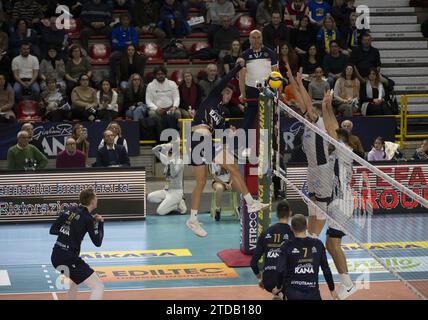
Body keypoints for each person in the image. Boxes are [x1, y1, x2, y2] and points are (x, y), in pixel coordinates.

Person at [188, 63, 269, 237]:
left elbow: (221, 131)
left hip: (205, 141)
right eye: (226, 92)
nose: (228, 95)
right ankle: (249, 203)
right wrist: (238, 67)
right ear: (221, 91)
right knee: (211, 177)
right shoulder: (211, 98)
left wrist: (229, 132)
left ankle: (193, 220)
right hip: (197, 139)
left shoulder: (222, 112)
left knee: (225, 171)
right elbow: (225, 79)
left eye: (230, 93)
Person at [284, 63, 338, 239]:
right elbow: (301, 102)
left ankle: (314, 238)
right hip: (312, 168)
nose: (307, 112)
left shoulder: (317, 122)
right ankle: (308, 236)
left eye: (310, 111)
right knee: (312, 205)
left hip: (323, 169)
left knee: (321, 208)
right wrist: (293, 80)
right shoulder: (307, 122)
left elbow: (306, 103)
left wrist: (301, 85)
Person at [50, 188, 105, 300]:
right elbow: (98, 242)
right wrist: (100, 224)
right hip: (68, 257)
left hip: (55, 256)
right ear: (92, 201)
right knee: (98, 286)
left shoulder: (70, 209)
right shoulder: (88, 219)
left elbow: (53, 229)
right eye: (96, 197)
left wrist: (69, 231)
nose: (97, 199)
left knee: (75, 282)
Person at [274, 214, 337, 300]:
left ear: (291, 228)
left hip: (292, 293)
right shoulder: (318, 244)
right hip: (312, 294)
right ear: (306, 226)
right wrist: (332, 289)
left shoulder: (286, 246)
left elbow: (280, 270)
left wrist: (278, 286)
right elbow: (326, 269)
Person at [326, 128, 357, 300]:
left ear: (340, 140)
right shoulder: (334, 155)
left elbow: (331, 129)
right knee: (329, 246)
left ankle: (349, 284)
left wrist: (326, 105)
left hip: (342, 203)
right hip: (334, 202)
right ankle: (344, 280)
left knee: (335, 245)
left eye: (331, 139)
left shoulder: (344, 151)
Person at [239, 30, 278, 157]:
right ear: (249, 39)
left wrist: (277, 92)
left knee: (270, 121)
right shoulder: (244, 55)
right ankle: (245, 148)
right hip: (251, 91)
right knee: (248, 120)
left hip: (267, 91)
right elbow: (242, 76)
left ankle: (272, 148)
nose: (256, 40)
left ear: (262, 38)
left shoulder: (270, 53)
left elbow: (276, 74)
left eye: (258, 37)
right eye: (253, 37)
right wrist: (242, 93)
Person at [250, 200, 295, 299]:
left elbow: (253, 263)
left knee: (278, 293)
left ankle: (277, 295)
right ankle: (280, 294)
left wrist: (260, 279)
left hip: (268, 280)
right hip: (286, 280)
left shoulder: (265, 232)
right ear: (290, 213)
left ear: (277, 214)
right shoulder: (294, 234)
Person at [148, 141, 187, 215]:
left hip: (176, 192)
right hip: (167, 191)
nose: (167, 154)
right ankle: (173, 203)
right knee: (150, 197)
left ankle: (176, 204)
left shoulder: (180, 162)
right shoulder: (168, 160)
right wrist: (162, 145)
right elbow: (154, 150)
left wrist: (171, 161)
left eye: (170, 152)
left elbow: (173, 174)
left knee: (160, 212)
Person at [146, 66, 181, 132]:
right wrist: (156, 109)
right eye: (158, 74)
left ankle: (178, 134)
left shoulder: (172, 83)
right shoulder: (150, 85)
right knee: (152, 114)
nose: (160, 76)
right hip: (156, 109)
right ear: (155, 75)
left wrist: (174, 107)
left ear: (165, 74)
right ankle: (159, 133)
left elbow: (177, 97)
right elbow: (148, 101)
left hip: (170, 108)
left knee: (178, 113)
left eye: (162, 74)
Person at [109, 13, 139, 87]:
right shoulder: (115, 30)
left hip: (131, 51)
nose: (125, 21)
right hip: (119, 51)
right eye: (123, 20)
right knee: (112, 57)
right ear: (120, 21)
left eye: (127, 20)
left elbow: (135, 43)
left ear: (129, 21)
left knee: (142, 57)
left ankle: (139, 78)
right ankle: (113, 80)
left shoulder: (133, 30)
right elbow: (114, 44)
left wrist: (120, 43)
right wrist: (127, 43)